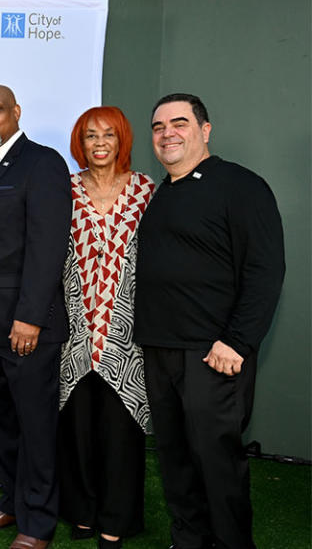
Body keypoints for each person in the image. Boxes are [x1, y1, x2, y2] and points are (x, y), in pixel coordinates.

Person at [135, 93, 285, 549]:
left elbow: (265, 270)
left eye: (179, 123)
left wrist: (236, 342)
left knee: (216, 465)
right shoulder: (164, 193)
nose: (167, 134)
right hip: (161, 351)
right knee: (177, 462)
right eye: (159, 127)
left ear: (205, 129)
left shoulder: (241, 186)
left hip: (214, 355)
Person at [0, 85, 71, 549]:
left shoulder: (42, 163)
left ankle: (39, 523)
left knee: (36, 427)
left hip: (25, 327)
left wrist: (30, 318)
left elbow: (48, 248)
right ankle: (12, 501)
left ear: (16, 113)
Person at [58, 106, 156, 549]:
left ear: (122, 141)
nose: (100, 143)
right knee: (76, 426)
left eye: (109, 135)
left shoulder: (145, 190)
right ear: (81, 141)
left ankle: (116, 518)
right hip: (75, 324)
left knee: (121, 429)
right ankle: (81, 512)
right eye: (91, 135)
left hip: (127, 328)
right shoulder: (66, 189)